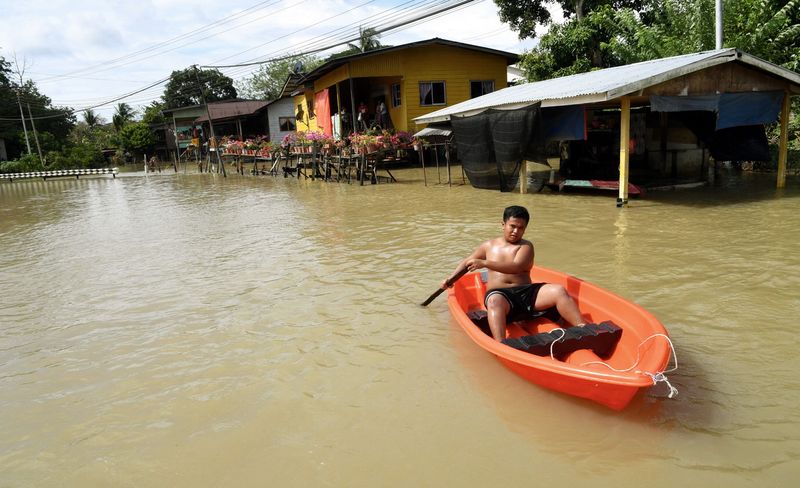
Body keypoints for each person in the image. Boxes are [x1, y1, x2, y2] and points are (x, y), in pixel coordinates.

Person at [441, 205, 587, 342]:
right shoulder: (488, 246)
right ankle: (501, 343)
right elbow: (467, 262)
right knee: (494, 301)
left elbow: (516, 267)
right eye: (512, 226)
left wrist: (484, 263)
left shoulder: (526, 246)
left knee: (559, 290)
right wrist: (451, 279)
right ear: (503, 224)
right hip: (501, 296)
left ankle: (583, 329)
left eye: (520, 228)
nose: (515, 231)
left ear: (525, 229)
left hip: (527, 295)